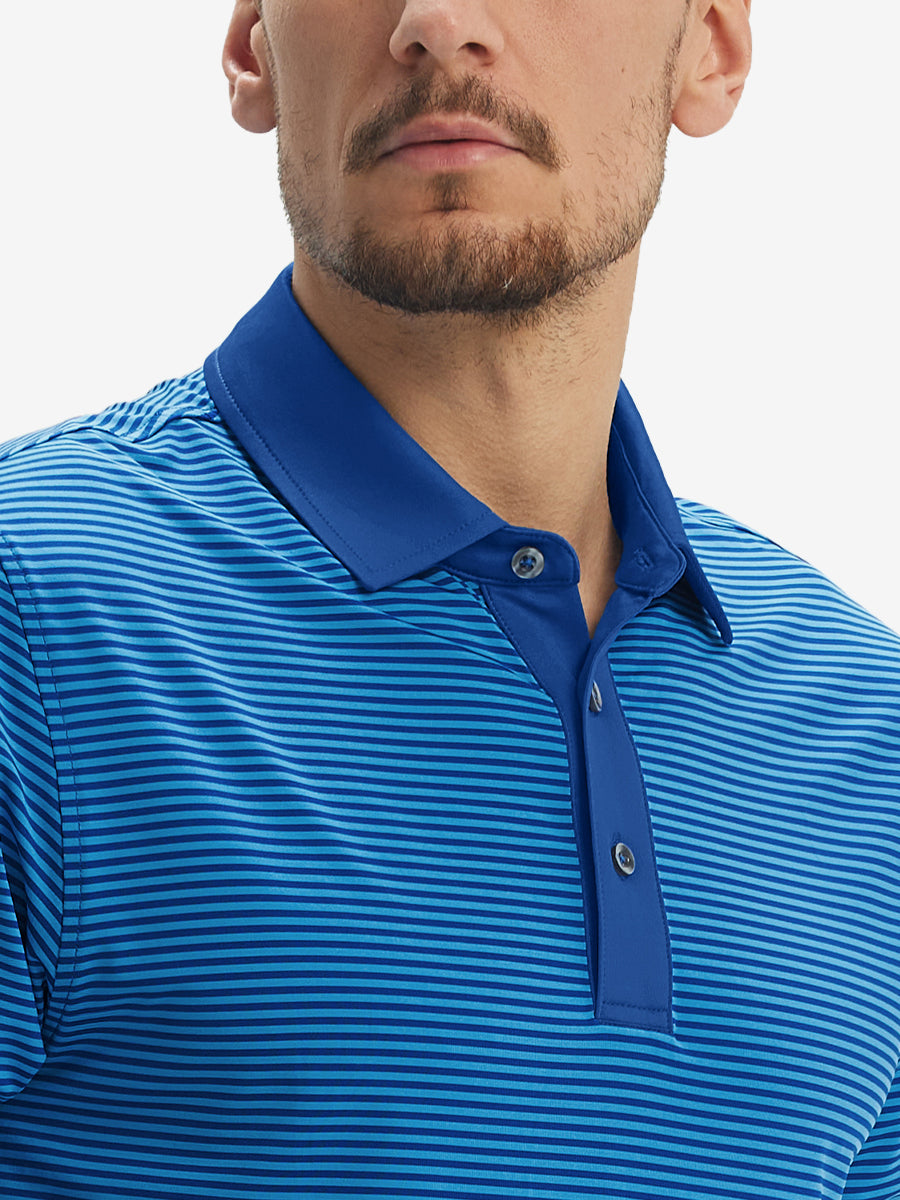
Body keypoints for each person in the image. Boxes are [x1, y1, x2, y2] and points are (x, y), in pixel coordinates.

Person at [1, 0, 899, 1196]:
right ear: (251, 45)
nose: (438, 20)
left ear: (712, 50)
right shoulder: (34, 607)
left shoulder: (868, 729)